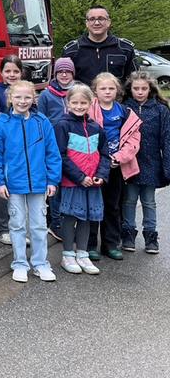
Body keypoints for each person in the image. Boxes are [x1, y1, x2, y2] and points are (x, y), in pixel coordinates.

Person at [0, 80, 61, 283]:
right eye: (18, 97)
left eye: (27, 97)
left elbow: (52, 152)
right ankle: (19, 263)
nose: (23, 101)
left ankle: (40, 263)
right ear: (10, 98)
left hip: (38, 184)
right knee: (17, 225)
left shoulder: (41, 122)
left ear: (33, 98)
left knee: (39, 225)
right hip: (13, 185)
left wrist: (52, 179)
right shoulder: (0, 125)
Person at [53, 84, 111, 275]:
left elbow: (104, 154)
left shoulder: (96, 127)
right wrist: (79, 177)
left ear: (90, 103)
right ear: (67, 103)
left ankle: (82, 253)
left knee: (87, 217)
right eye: (75, 102)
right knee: (70, 217)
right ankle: (67, 254)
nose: (79, 106)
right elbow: (60, 155)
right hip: (73, 181)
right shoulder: (63, 125)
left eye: (83, 102)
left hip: (92, 182)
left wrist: (100, 175)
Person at [88, 73, 141, 261]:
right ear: (95, 91)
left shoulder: (125, 112)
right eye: (103, 88)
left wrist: (118, 158)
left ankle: (110, 244)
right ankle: (90, 245)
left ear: (117, 90)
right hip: (94, 165)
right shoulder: (88, 109)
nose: (107, 92)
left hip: (116, 165)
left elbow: (134, 141)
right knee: (93, 205)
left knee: (112, 205)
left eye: (111, 88)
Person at [121, 71, 170, 254]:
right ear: (130, 89)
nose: (140, 92)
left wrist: (167, 166)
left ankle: (151, 236)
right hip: (130, 162)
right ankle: (128, 234)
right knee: (130, 199)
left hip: (152, 163)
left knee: (149, 201)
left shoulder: (160, 110)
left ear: (150, 89)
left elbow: (166, 139)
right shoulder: (124, 107)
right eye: (136, 88)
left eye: (144, 88)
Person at [36, 57, 77, 241]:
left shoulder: (77, 91)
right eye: (60, 71)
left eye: (67, 71)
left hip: (75, 143)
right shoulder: (46, 94)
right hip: (53, 144)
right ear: (55, 73)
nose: (64, 74)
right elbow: (42, 120)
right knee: (55, 182)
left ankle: (70, 218)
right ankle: (56, 221)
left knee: (71, 182)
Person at [0, 54, 23, 245]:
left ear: (21, 73)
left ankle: (17, 227)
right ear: (1, 72)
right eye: (7, 71)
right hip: (4, 146)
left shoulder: (25, 91)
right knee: (2, 186)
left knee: (20, 187)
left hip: (22, 147)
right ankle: (2, 229)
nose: (12, 74)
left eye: (16, 71)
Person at [61, 4, 139, 86]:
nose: (97, 23)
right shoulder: (71, 51)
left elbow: (134, 82)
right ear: (87, 23)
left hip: (116, 98)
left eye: (101, 19)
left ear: (108, 22)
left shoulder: (125, 49)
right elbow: (61, 83)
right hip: (83, 98)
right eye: (92, 19)